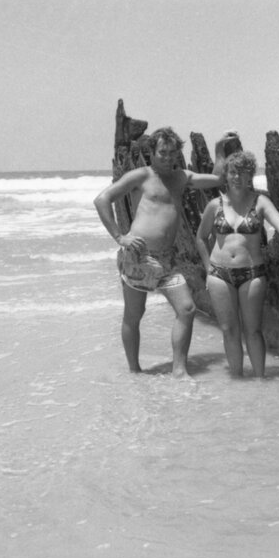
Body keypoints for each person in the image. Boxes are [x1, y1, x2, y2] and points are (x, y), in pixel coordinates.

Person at [94, 127, 224, 378]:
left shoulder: (181, 177)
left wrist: (219, 149)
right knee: (134, 315)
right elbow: (102, 199)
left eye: (172, 152)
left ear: (178, 154)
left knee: (186, 309)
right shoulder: (141, 175)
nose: (167, 157)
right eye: (162, 152)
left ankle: (179, 371)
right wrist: (120, 237)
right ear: (152, 152)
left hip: (168, 259)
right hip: (139, 257)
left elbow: (218, 179)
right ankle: (134, 371)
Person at [195, 150, 279, 378]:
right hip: (219, 274)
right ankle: (237, 380)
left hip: (252, 273)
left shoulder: (260, 201)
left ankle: (261, 380)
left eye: (243, 173)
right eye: (233, 172)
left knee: (253, 330)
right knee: (229, 330)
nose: (237, 178)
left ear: (251, 175)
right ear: (226, 174)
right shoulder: (215, 205)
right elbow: (201, 237)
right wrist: (207, 268)